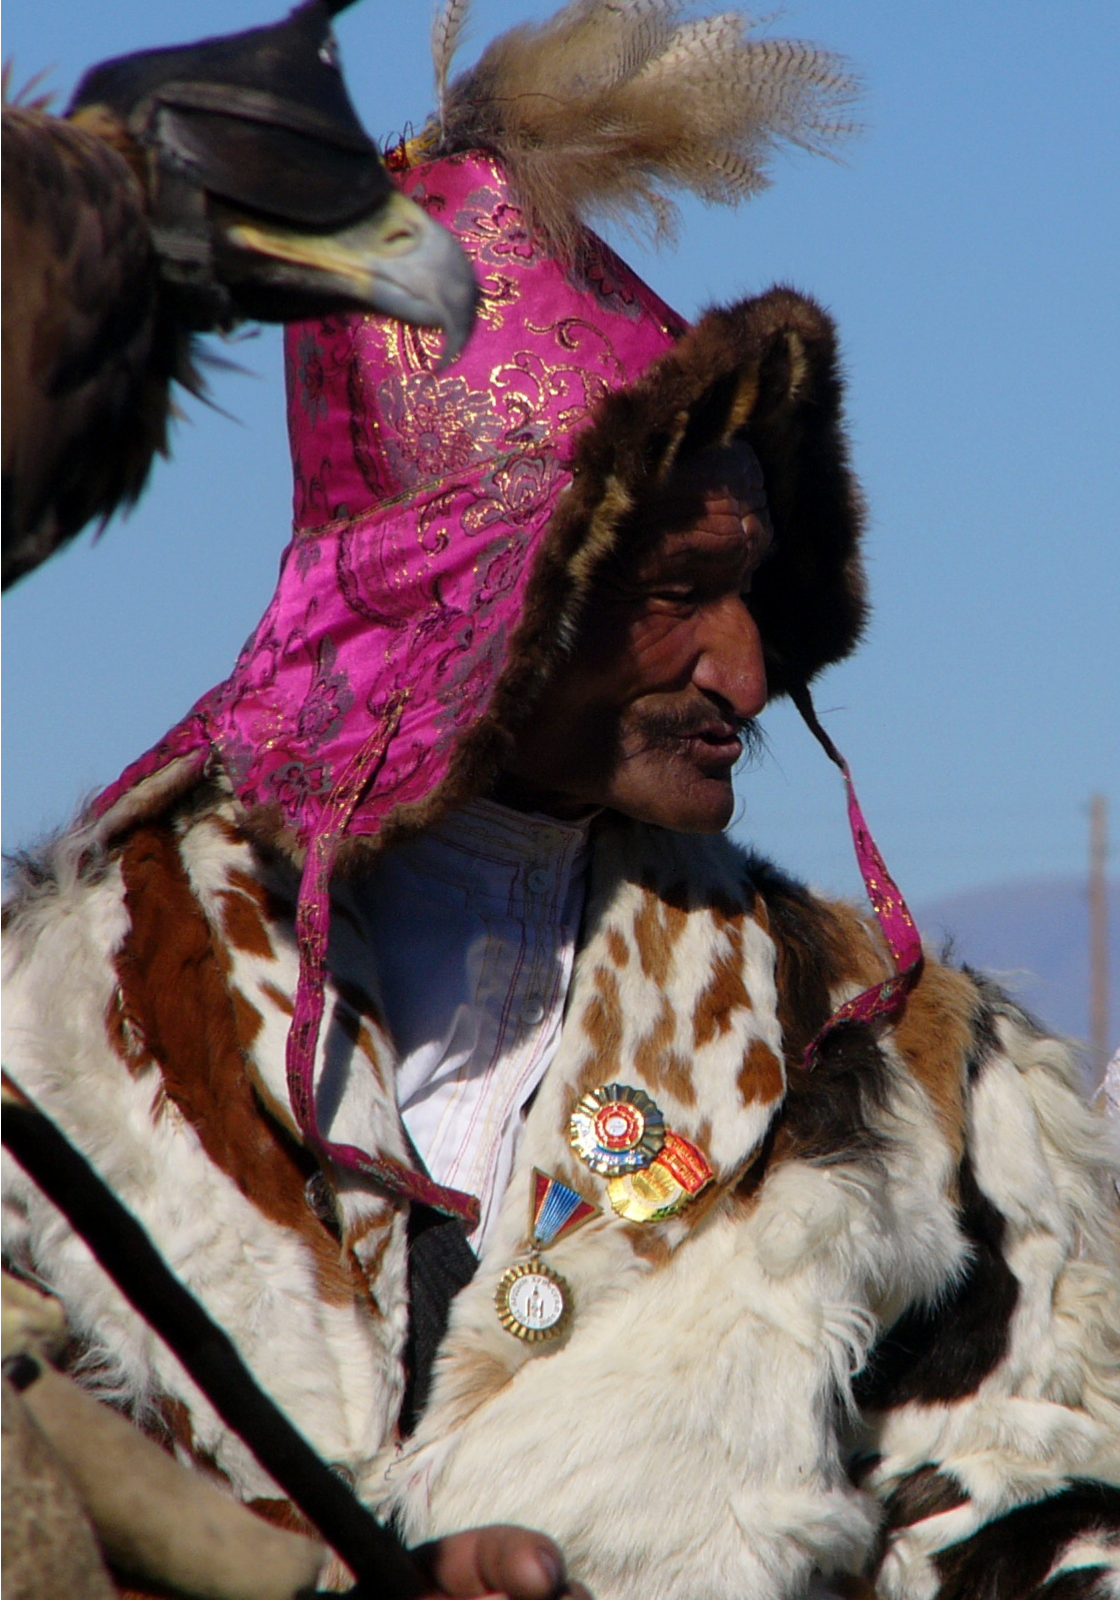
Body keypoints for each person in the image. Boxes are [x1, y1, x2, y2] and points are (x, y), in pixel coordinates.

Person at [3, 4, 1118, 1597]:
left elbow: (1046, 1515)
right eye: (678, 593)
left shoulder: (909, 1085)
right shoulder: (56, 1044)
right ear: (478, 607)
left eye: (756, 593)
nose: (744, 672)